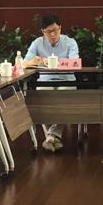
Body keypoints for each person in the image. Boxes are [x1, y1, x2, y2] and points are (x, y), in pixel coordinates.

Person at [25, 15, 80, 153]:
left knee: (64, 98)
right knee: (43, 98)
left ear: (60, 28)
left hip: (66, 79)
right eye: (49, 31)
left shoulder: (70, 42)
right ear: (42, 31)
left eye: (56, 30)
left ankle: (50, 136)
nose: (53, 34)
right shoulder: (37, 43)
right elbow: (24, 63)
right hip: (45, 79)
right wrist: (34, 61)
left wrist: (50, 62)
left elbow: (74, 63)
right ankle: (53, 137)